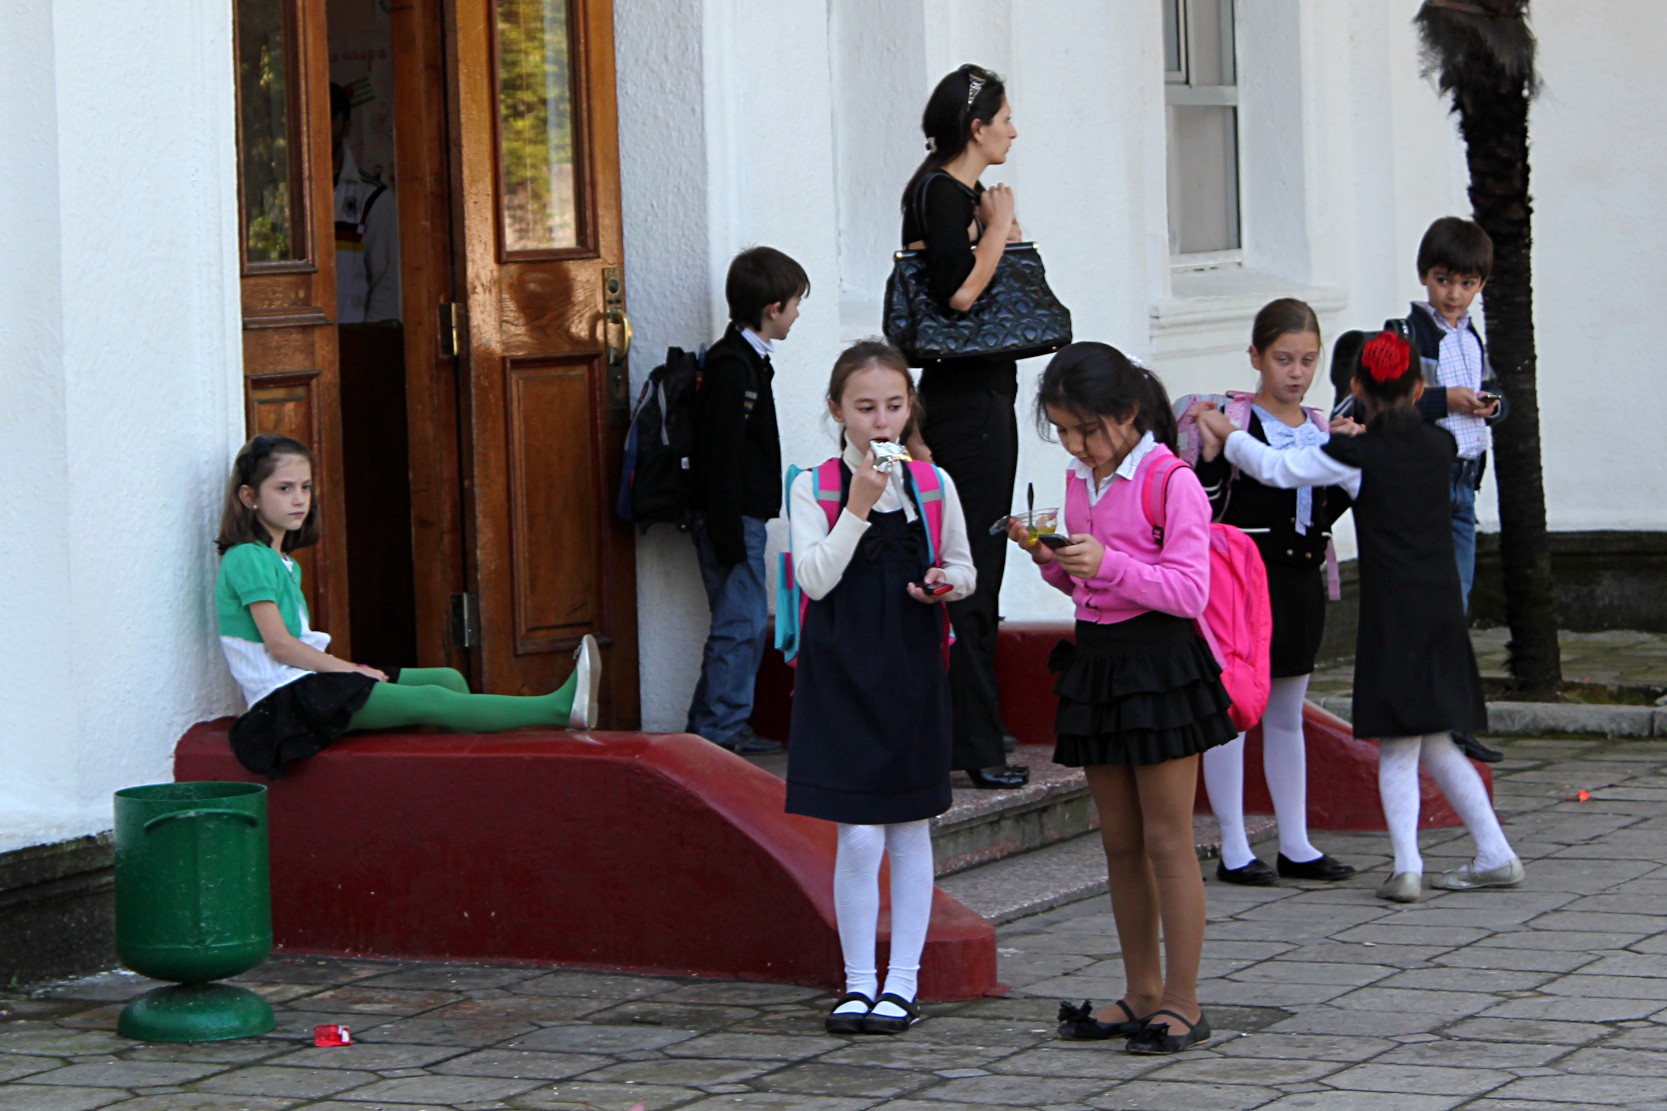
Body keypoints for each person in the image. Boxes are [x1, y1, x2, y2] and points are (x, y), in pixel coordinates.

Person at [1197, 331, 1525, 904]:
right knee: (1436, 740)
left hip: (1394, 613)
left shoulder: (1355, 455)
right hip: (1444, 609)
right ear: (1419, 387)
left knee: (1400, 743)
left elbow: (1276, 469)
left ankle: (1406, 867)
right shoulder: (1439, 446)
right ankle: (1495, 853)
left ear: (1355, 388)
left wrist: (1227, 436)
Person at [1013, 343, 1236, 1055]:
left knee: (1168, 838)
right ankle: (1139, 990)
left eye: (1086, 430)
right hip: (1098, 660)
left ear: (1127, 413)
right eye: (1065, 433)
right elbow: (1088, 589)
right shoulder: (1082, 480)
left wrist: (1106, 561)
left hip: (1160, 664)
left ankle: (1182, 999)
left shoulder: (1170, 481)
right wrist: (1052, 560)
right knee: (1118, 841)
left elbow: (1187, 590)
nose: (1077, 447)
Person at [216, 433, 597, 778]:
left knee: (447, 679)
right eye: (284, 489)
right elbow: (280, 646)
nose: (299, 499)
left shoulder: (281, 560)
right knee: (432, 699)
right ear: (249, 497)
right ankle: (558, 710)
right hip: (284, 705)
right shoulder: (247, 557)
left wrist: (350, 672)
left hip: (308, 685)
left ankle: (469, 778)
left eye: (305, 487)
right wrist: (352, 670)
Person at [785, 341, 974, 1036]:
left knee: (908, 825)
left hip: (911, 668)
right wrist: (857, 507)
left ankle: (902, 983)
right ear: (837, 410)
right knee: (857, 837)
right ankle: (856, 981)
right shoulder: (815, 486)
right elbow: (812, 578)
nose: (881, 420)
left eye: (893, 405)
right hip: (840, 672)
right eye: (864, 407)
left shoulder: (932, 483)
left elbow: (964, 568)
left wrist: (944, 584)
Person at [1191, 300, 1356, 886]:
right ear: (1256, 356)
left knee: (1287, 715)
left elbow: (1322, 513)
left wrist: (1347, 460)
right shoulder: (1233, 421)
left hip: (1299, 579)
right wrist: (1213, 460)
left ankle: (1297, 842)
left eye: (1308, 360)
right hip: (1242, 584)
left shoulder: (1318, 427)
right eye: (1283, 358)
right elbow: (1206, 506)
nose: (1296, 372)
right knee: (1234, 712)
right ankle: (1234, 846)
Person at [900, 64, 1029, 790]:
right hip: (968, 405)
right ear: (975, 128)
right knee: (974, 567)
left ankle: (973, 726)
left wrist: (998, 218)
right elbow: (958, 293)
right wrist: (1000, 227)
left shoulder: (954, 195)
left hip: (978, 398)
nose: (1014, 129)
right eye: (1005, 117)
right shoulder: (942, 195)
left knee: (978, 563)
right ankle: (975, 745)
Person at [686, 246, 809, 755]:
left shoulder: (748, 361)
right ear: (773, 308)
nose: (799, 313)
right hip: (731, 520)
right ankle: (714, 734)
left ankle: (722, 726)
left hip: (740, 517)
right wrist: (728, 533)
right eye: (796, 303)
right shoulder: (733, 367)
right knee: (740, 625)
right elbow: (720, 456)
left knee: (744, 622)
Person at [1407, 216, 1508, 764]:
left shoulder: (1471, 334)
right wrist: (1448, 400)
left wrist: (1493, 405)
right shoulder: (1409, 333)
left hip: (1465, 484)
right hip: (1428, 482)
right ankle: (1436, 718)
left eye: (1466, 283)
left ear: (1480, 286)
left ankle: (1450, 719)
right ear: (1426, 277)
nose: (1454, 294)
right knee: (1434, 604)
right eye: (1444, 280)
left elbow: (1493, 392)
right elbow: (1397, 402)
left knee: (1458, 603)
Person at [331, 82, 401, 323]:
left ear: (346, 126)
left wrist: (367, 345)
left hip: (352, 341)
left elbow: (388, 282)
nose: (318, 129)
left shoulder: (372, 197)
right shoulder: (280, 193)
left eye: (329, 119)